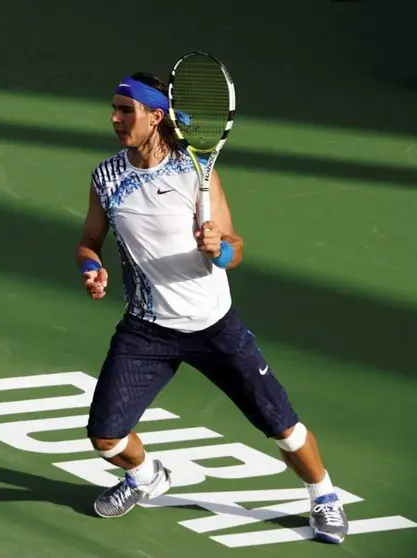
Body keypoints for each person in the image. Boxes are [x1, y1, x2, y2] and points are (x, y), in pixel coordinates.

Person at [75, 71, 349, 544]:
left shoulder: (195, 173)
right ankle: (144, 477)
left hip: (214, 328)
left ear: (155, 116)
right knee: (105, 437)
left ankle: (323, 495)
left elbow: (235, 250)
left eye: (126, 110)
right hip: (147, 330)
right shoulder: (107, 177)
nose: (115, 118)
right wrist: (90, 268)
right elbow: (89, 242)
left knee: (282, 428)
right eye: (114, 109)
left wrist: (217, 249)